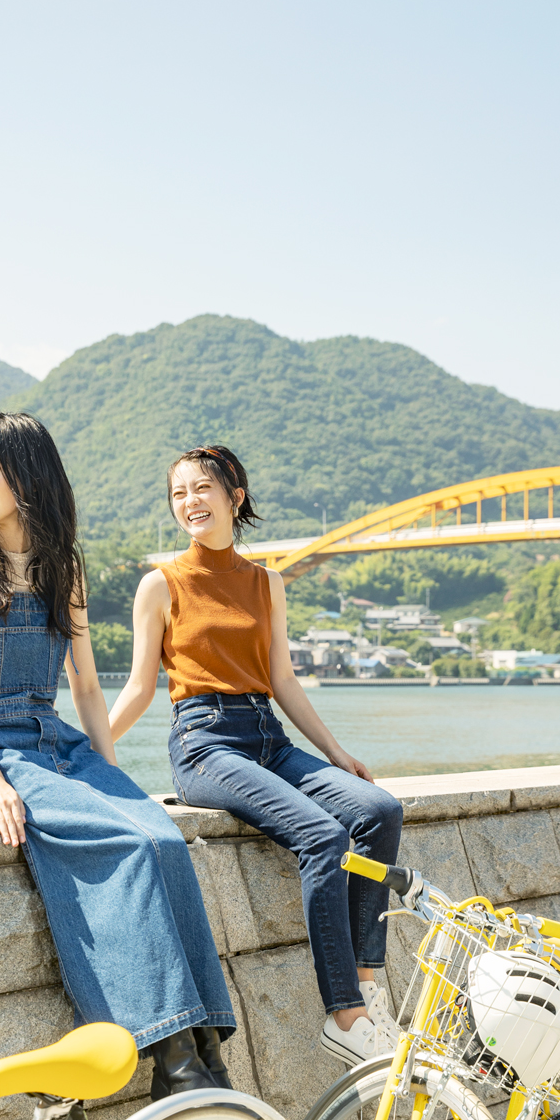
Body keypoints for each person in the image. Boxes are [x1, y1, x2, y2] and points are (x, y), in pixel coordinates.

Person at [0, 412, 235, 1099]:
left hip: (55, 742)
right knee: (123, 846)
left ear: (28, 472)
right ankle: (172, 1056)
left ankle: (206, 1047)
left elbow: (88, 687)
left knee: (158, 834)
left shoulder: (63, 566)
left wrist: (112, 774)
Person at [110, 445, 404, 1067]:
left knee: (378, 810)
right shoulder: (159, 585)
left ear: (234, 497)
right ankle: (346, 1016)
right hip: (204, 743)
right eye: (178, 493)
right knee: (322, 836)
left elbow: (285, 681)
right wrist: (89, 751)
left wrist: (335, 752)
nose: (189, 502)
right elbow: (140, 686)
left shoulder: (265, 582)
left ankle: (368, 984)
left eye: (201, 489)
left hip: (268, 737)